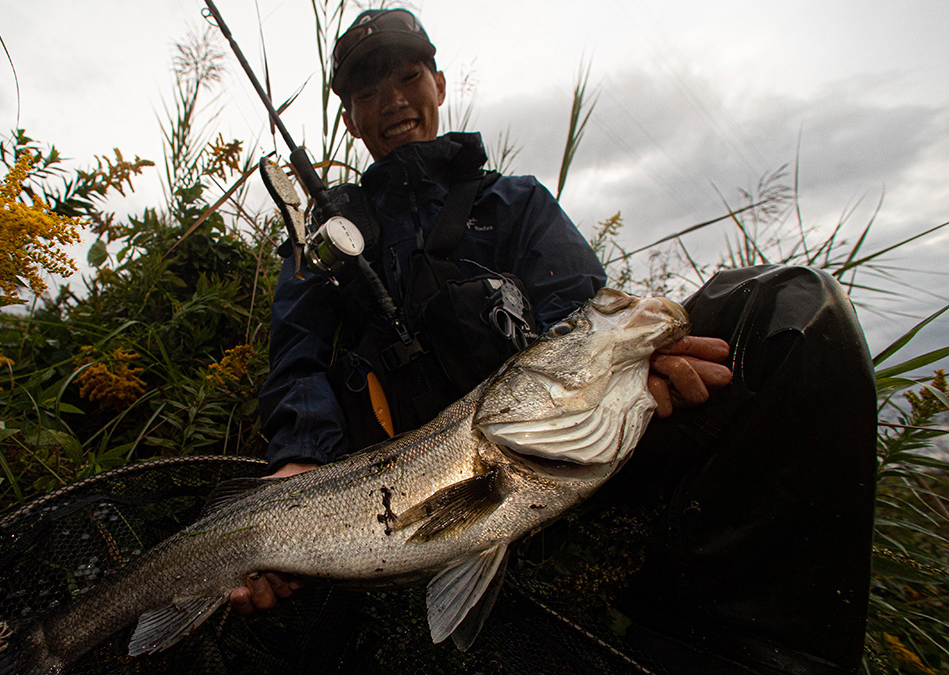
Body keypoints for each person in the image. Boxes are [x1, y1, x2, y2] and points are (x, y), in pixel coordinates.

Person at [239, 9, 876, 675]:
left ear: (440, 82)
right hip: (401, 505)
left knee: (793, 311)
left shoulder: (515, 203)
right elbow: (298, 359)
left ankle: (732, 650)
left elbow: (578, 310)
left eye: (409, 74)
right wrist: (300, 459)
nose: (394, 100)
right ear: (349, 120)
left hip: (569, 445)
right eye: (367, 90)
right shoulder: (323, 245)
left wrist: (638, 358)